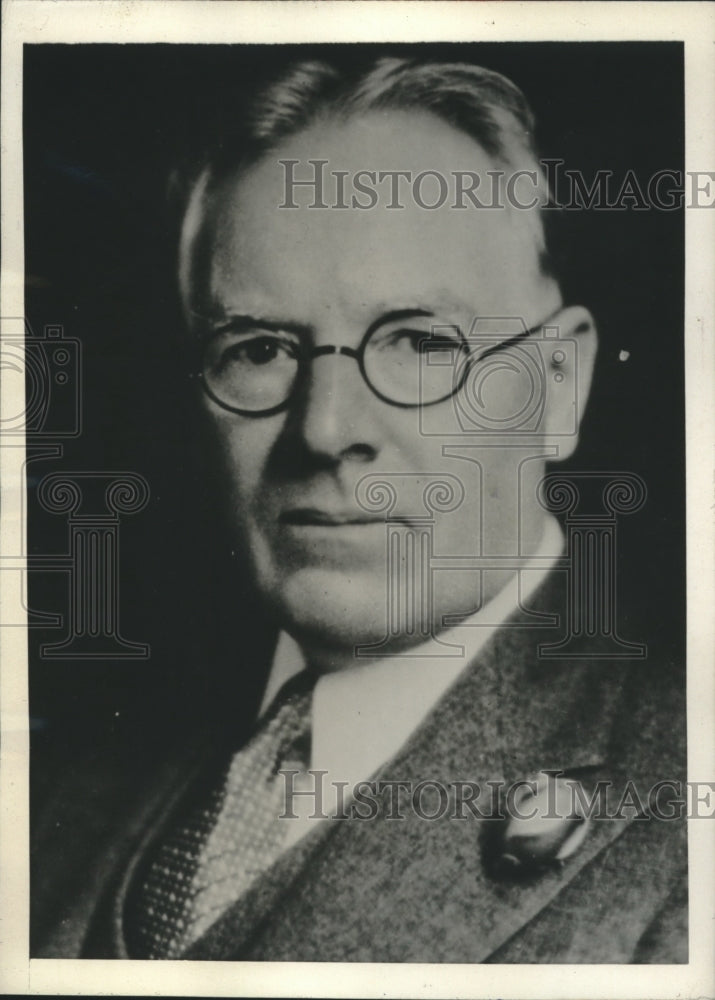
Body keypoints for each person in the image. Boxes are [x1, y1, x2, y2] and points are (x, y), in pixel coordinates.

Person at [31, 55, 686, 963]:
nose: (326, 428)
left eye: (420, 341)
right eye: (259, 348)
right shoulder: (47, 790)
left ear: (557, 385)